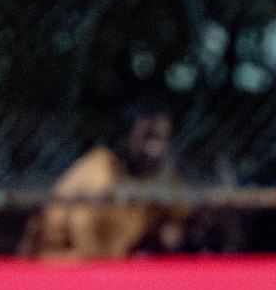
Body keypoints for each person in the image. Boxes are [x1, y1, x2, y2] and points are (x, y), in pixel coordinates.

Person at [19, 100, 189, 259]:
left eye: (160, 139)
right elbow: (84, 237)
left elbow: (177, 220)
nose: (154, 149)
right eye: (147, 138)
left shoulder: (159, 173)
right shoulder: (99, 173)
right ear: (125, 137)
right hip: (61, 264)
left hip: (115, 265)